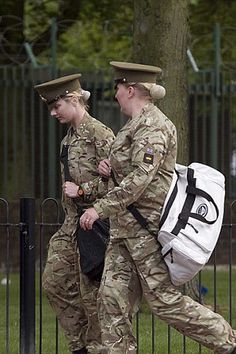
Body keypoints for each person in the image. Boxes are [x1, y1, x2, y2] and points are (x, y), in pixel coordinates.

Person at [79, 61, 236, 354]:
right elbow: (131, 172)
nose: (114, 96)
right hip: (123, 231)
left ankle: (228, 341)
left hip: (146, 231)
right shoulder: (133, 126)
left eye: (117, 89)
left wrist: (99, 208)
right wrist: (108, 169)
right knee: (111, 299)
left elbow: (141, 178)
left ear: (129, 89)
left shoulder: (154, 126)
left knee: (164, 302)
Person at [34, 74, 115, 354]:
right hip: (72, 224)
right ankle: (80, 346)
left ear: (74, 99)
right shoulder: (67, 139)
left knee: (93, 294)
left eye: (56, 106)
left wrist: (82, 191)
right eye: (50, 108)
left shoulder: (101, 135)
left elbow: (120, 183)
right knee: (54, 281)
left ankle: (97, 348)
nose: (53, 113)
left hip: (96, 225)